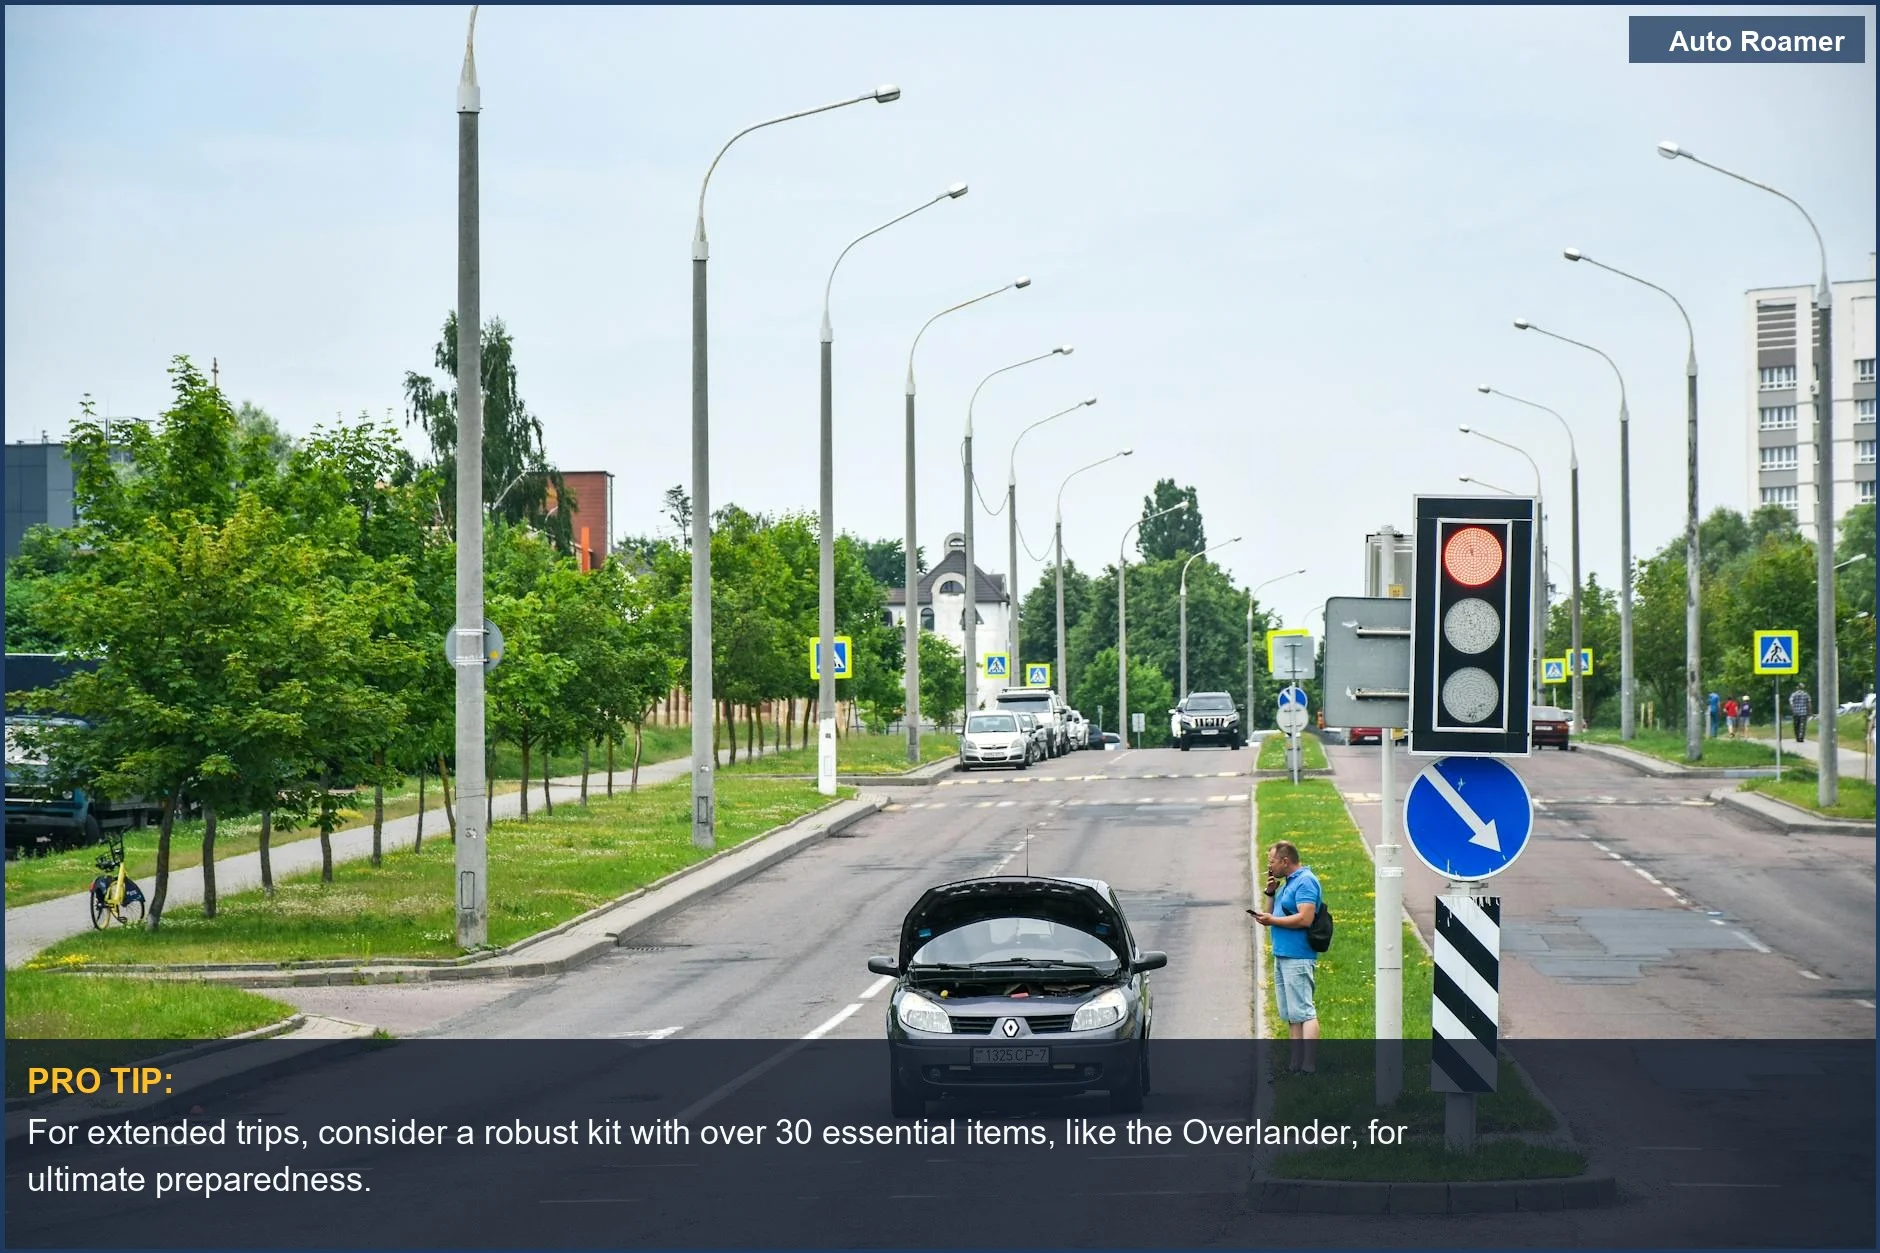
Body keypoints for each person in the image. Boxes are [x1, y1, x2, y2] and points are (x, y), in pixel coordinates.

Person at [1251, 840, 1321, 1075]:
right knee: (1292, 1014)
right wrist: (1270, 892)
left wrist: (1272, 921)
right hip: (1282, 954)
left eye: (1271, 862)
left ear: (1285, 861)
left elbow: (1305, 919)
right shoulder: (1288, 883)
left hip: (1298, 955)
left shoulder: (1305, 882)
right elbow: (1270, 913)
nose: (1269, 867)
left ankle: (1309, 1066)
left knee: (1305, 1011)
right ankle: (1295, 1064)